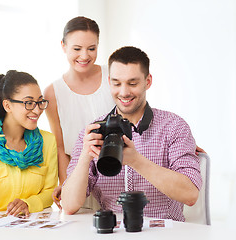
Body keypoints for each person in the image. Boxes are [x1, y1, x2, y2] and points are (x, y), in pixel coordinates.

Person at [61, 46, 202, 221]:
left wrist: (136, 160)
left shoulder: (174, 127)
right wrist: (85, 157)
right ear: (109, 82)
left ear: (148, 81)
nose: (124, 92)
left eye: (132, 83)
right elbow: (68, 205)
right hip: (113, 232)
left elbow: (190, 194)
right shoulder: (92, 131)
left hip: (164, 233)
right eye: (116, 83)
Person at [0, 70, 58, 216]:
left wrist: (28, 204)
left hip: (28, 227)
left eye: (40, 102)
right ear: (7, 106)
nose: (37, 110)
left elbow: (50, 192)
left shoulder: (48, 141)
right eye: (28, 103)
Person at [44, 16, 115, 207]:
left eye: (91, 48)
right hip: (80, 181)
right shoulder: (53, 92)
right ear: (63, 46)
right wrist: (66, 185)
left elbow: (137, 117)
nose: (84, 56)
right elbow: (60, 147)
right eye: (77, 49)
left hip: (118, 176)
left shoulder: (113, 75)